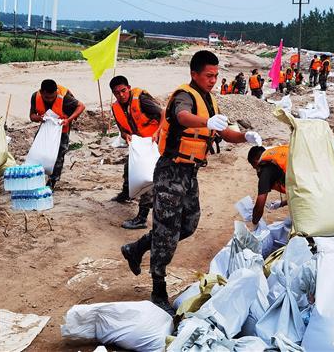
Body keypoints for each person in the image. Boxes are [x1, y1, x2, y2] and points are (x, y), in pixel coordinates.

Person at [121, 50, 262, 313]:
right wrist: (206, 121)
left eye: (216, 76)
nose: (213, 80)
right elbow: (183, 117)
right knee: (166, 231)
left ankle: (137, 247)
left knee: (187, 224)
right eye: (209, 75)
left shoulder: (210, 101)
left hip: (190, 174)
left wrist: (245, 137)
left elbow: (224, 132)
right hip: (170, 171)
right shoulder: (184, 97)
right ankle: (158, 289)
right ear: (194, 73)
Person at [109, 76, 163, 229]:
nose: (121, 95)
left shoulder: (141, 100)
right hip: (139, 144)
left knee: (147, 178)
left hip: (154, 143)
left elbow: (163, 114)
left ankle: (141, 218)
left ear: (129, 88)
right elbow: (122, 128)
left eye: (123, 91)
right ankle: (126, 193)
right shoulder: (116, 107)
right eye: (117, 93)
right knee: (129, 168)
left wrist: (157, 133)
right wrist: (125, 135)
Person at [29, 79, 86, 190]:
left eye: (52, 97)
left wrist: (69, 120)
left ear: (56, 92)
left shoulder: (65, 98)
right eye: (47, 98)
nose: (50, 100)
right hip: (45, 127)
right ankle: (37, 176)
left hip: (62, 127)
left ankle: (53, 180)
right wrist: (40, 118)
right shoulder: (35, 96)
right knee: (38, 150)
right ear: (41, 92)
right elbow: (31, 116)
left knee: (59, 153)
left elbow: (81, 106)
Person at [247, 145, 289, 226]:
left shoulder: (265, 170)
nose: (257, 171)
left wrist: (255, 222)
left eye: (255, 168)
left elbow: (260, 205)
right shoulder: (278, 153)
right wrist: (282, 203)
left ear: (256, 162)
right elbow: (299, 191)